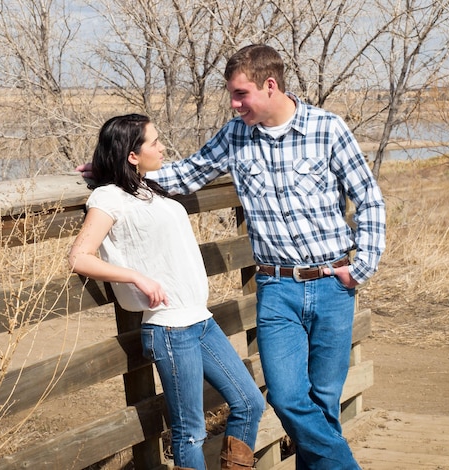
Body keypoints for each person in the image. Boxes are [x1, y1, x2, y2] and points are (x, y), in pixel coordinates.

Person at [77, 45, 386, 469]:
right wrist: (113, 169)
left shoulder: (327, 129)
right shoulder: (236, 134)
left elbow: (368, 197)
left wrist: (361, 266)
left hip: (333, 283)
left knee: (324, 402)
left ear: (270, 86)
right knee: (285, 396)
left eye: (241, 95)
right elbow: (188, 174)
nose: (234, 104)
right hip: (276, 286)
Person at [69, 114, 265, 470]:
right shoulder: (108, 198)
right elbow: (80, 257)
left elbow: (186, 171)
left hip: (199, 319)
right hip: (169, 329)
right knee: (189, 431)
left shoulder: (148, 186)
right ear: (132, 155)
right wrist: (135, 277)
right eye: (154, 142)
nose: (162, 147)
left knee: (250, 402)